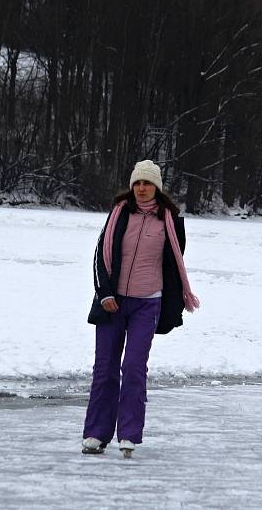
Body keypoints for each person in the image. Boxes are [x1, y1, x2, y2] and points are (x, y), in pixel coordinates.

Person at [83, 160, 199, 456]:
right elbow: (101, 255)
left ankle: (129, 434)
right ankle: (96, 433)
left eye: (147, 183)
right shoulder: (119, 213)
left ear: (156, 188)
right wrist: (104, 293)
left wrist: (174, 303)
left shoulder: (170, 220)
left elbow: (174, 265)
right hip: (112, 302)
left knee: (133, 368)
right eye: (138, 183)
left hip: (148, 303)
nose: (142, 188)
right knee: (105, 369)